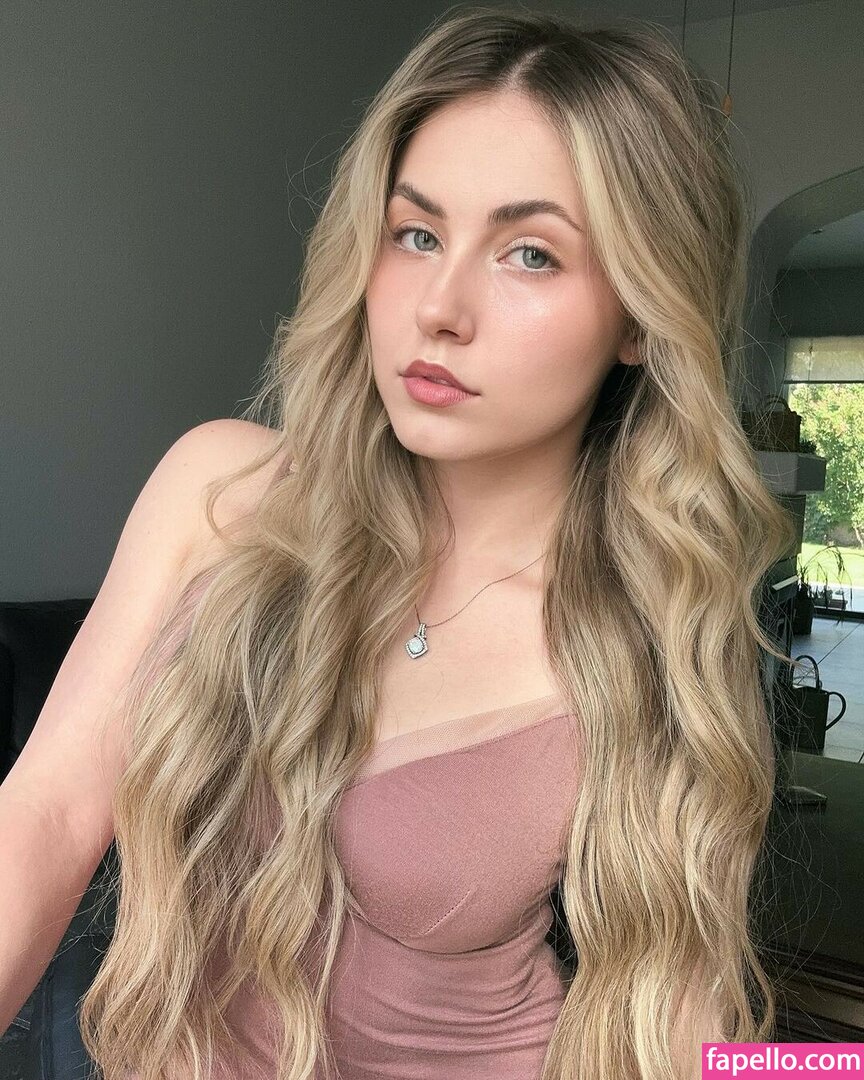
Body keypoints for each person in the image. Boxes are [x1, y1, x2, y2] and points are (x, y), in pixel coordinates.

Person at [0, 6, 798, 1079]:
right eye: (416, 234)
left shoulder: (646, 636)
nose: (439, 308)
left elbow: (691, 1027)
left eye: (530, 254)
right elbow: (45, 817)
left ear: (642, 318)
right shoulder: (223, 492)